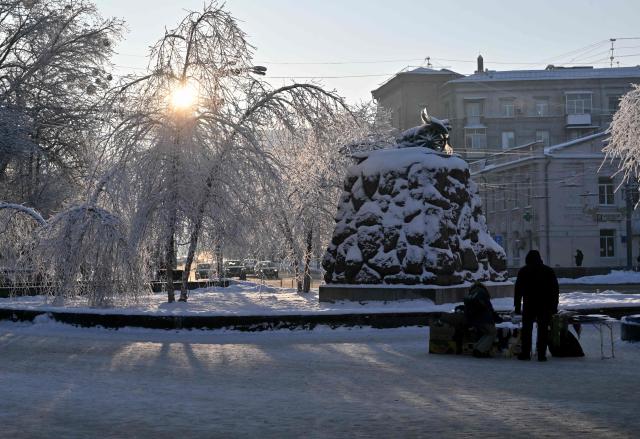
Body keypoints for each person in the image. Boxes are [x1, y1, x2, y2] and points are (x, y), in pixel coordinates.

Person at [514, 250, 560, 362]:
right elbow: (555, 290)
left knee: (527, 330)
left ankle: (525, 353)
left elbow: (518, 290)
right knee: (543, 330)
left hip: (529, 305)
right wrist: (554, 306)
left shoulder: (523, 271)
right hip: (544, 306)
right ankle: (541, 354)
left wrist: (517, 306)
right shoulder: (548, 271)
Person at [464, 281, 500, 358]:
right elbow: (489, 308)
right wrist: (498, 318)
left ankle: (477, 348)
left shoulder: (471, 294)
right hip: (484, 319)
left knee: (487, 333)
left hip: (474, 319)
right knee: (492, 332)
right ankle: (479, 350)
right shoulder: (483, 293)